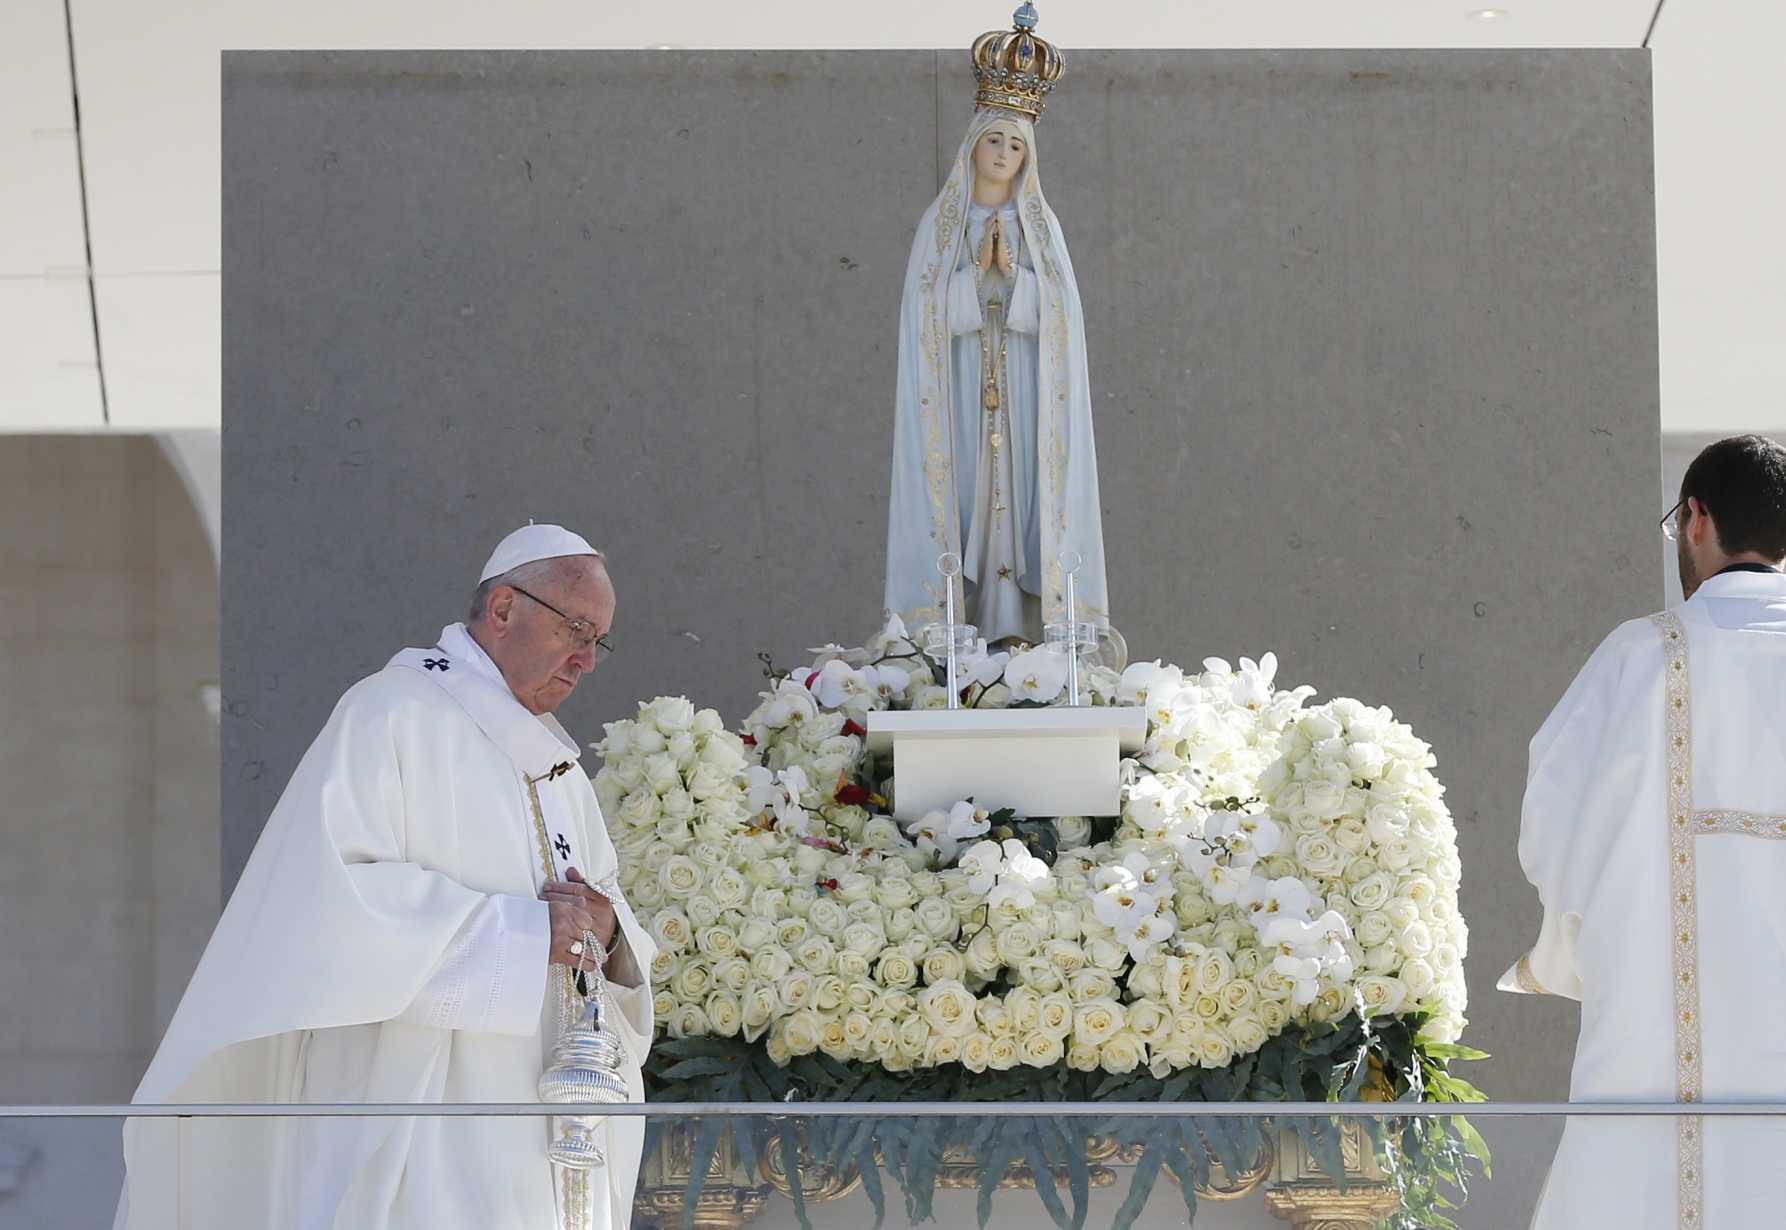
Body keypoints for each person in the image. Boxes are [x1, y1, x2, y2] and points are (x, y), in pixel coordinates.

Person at [115, 524, 656, 1230]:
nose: (587, 659)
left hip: (543, 1125)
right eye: (576, 629)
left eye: (600, 640)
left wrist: (609, 931)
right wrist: (525, 935)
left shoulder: (558, 771)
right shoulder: (392, 714)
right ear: (502, 608)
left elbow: (605, 909)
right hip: (424, 1111)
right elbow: (327, 907)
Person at [1505, 434, 1786, 1228]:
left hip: (1659, 1030)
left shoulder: (1646, 657)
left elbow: (1555, 827)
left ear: (1696, 517)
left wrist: (1574, 949)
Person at [884, 6, 1110, 647]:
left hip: (1025, 395)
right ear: (973, 145)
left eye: (1017, 144)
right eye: (995, 139)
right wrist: (970, 280)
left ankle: (1021, 623)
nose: (1005, 153)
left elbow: (1063, 320)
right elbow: (921, 314)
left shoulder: (1041, 227)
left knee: (1021, 491)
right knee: (970, 496)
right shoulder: (941, 225)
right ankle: (963, 621)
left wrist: (1013, 280)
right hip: (958, 391)